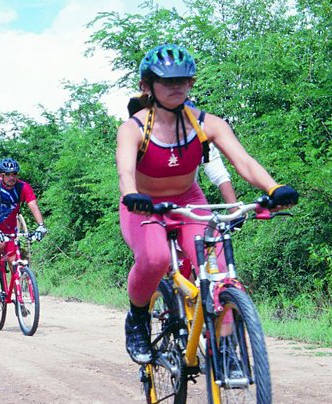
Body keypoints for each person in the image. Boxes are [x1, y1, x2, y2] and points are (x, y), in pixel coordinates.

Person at [117, 43, 298, 364]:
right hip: (144, 206)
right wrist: (133, 196)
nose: (177, 88)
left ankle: (225, 348)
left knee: (217, 270)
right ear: (147, 86)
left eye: (184, 81)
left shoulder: (207, 123)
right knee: (156, 258)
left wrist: (274, 186)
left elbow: (244, 162)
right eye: (168, 82)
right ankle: (138, 319)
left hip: (189, 201)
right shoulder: (132, 129)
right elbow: (126, 172)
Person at [0, 158, 47, 287]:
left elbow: (33, 205)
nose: (12, 177)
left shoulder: (23, 187)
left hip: (11, 227)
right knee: (0, 245)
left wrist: (41, 226)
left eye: (14, 174)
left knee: (14, 260)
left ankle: (19, 297)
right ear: (0, 175)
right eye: (8, 174)